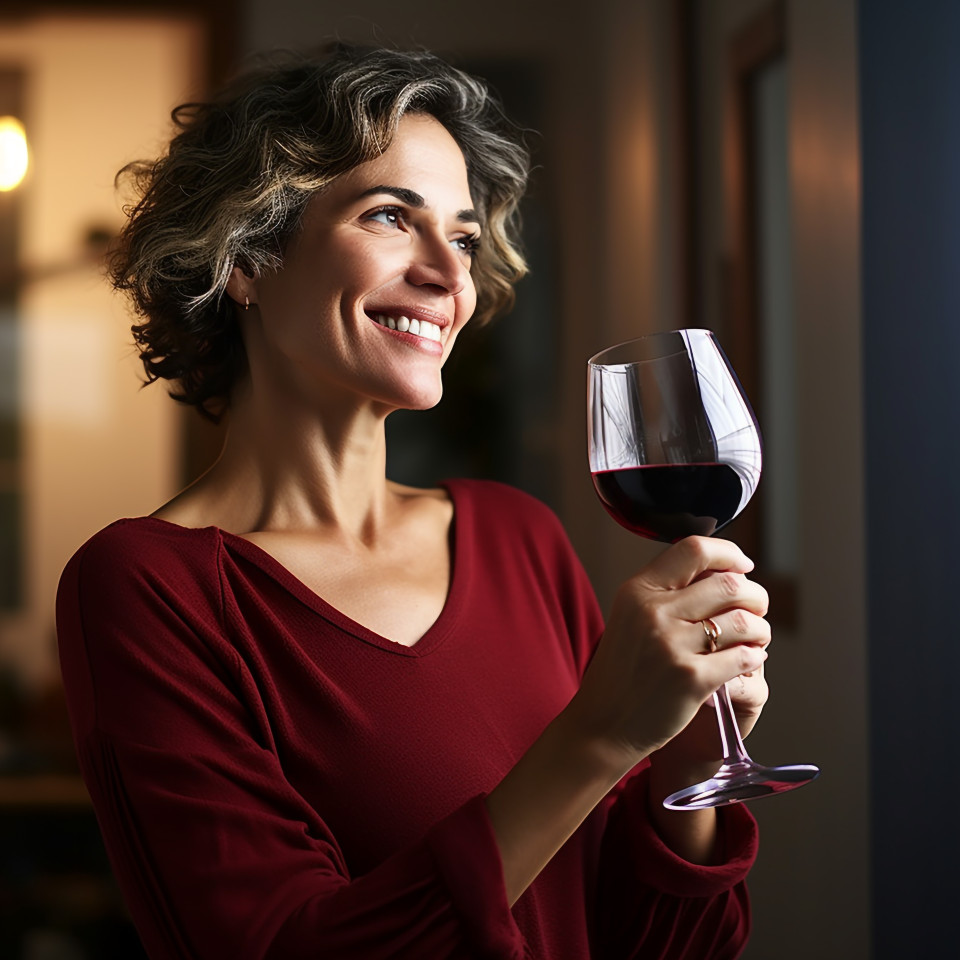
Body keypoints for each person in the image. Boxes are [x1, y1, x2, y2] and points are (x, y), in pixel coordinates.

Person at [55, 44, 772, 960]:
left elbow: (659, 945)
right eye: (392, 216)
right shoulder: (146, 588)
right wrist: (601, 734)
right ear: (244, 256)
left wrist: (685, 761)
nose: (450, 274)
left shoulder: (518, 538)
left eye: (465, 237)